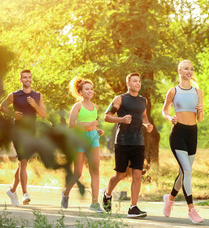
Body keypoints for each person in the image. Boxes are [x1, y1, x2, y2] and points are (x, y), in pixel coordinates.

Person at [102, 73, 153, 217]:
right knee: (120, 174)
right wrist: (122, 119)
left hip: (138, 142)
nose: (138, 84)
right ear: (128, 84)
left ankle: (133, 207)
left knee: (137, 174)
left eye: (139, 81)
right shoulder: (120, 99)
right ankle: (107, 194)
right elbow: (107, 116)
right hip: (123, 142)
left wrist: (147, 124)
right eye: (135, 81)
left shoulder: (144, 101)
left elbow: (143, 117)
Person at [161, 60, 204, 224]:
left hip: (192, 133)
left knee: (184, 172)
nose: (190, 71)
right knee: (187, 171)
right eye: (186, 68)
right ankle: (191, 209)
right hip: (178, 133)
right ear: (179, 71)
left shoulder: (198, 91)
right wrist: (169, 117)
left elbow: (200, 119)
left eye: (191, 69)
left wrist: (200, 111)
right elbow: (165, 110)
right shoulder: (173, 91)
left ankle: (170, 198)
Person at [0, 69, 46, 206]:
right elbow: (2, 106)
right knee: (24, 162)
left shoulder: (37, 96)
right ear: (20, 80)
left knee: (22, 163)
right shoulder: (14, 95)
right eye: (24, 77)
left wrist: (34, 105)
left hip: (31, 133)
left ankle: (12, 190)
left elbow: (43, 114)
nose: (27, 79)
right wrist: (13, 114)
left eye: (29, 77)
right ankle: (25, 193)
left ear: (31, 79)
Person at [61, 77, 104, 213]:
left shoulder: (95, 107)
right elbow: (71, 124)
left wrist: (97, 130)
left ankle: (95, 203)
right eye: (87, 89)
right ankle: (66, 193)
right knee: (78, 172)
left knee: (95, 170)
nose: (90, 91)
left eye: (91, 89)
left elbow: (93, 123)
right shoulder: (77, 106)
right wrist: (88, 125)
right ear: (80, 91)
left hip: (93, 138)